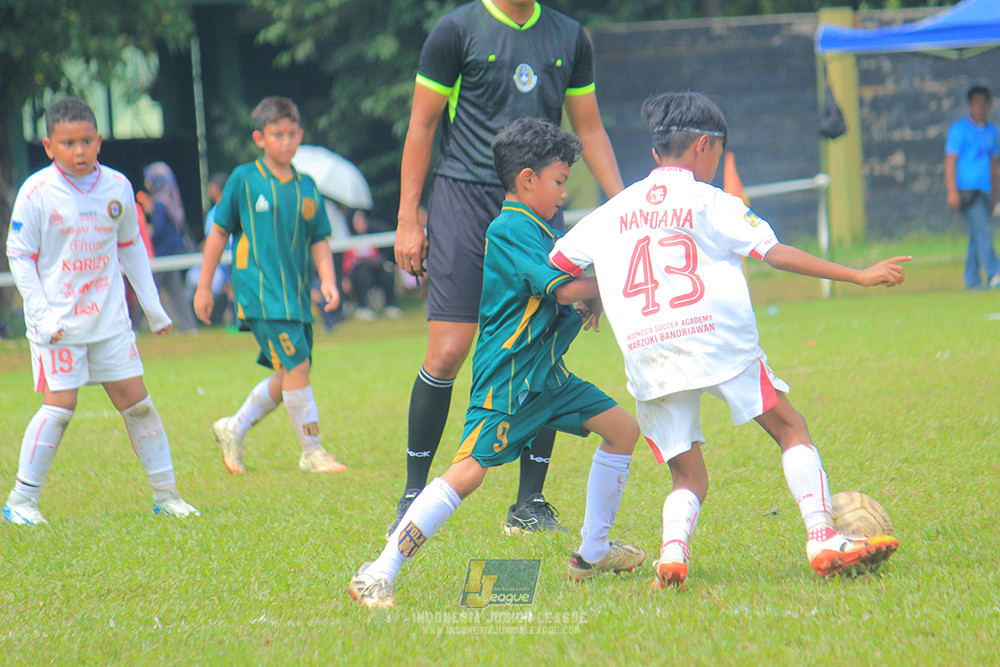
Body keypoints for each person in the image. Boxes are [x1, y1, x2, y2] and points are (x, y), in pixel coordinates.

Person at [549, 92, 907, 588]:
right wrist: (858, 274)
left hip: (649, 353)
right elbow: (775, 253)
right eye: (719, 152)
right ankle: (823, 536)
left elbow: (559, 264)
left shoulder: (613, 210)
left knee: (688, 476)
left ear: (657, 154)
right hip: (719, 342)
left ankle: (672, 555)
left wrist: (599, 295)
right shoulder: (711, 201)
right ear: (703, 146)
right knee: (789, 428)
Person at [349, 118, 644, 609]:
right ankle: (379, 571)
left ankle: (592, 553)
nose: (564, 192)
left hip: (546, 376)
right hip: (509, 379)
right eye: (559, 181)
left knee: (623, 431)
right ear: (526, 179)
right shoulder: (510, 228)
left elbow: (563, 293)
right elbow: (564, 287)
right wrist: (611, 283)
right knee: (468, 472)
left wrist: (585, 300)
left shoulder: (542, 227)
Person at [389, 0, 626, 537]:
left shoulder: (569, 36)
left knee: (541, 338)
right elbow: (423, 124)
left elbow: (589, 131)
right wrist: (409, 216)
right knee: (448, 349)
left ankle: (529, 503)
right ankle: (414, 488)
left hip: (534, 202)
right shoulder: (455, 30)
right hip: (463, 198)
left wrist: (633, 210)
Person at [2, 97, 200, 525]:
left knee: (139, 404)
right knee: (60, 408)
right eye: (68, 143)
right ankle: (21, 501)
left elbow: (130, 246)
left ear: (100, 140)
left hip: (110, 322)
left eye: (87, 141)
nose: (79, 151)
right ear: (49, 145)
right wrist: (41, 316)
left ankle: (167, 495)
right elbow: (19, 255)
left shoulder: (118, 187)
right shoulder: (36, 192)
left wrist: (153, 307)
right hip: (58, 326)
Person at [194, 96, 347, 475]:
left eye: (292, 134)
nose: (286, 141)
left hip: (294, 297)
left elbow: (319, 240)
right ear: (259, 138)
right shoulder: (244, 180)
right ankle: (312, 451)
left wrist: (328, 279)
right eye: (277, 134)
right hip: (260, 293)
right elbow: (218, 234)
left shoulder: (307, 187)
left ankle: (233, 428)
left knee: (293, 371)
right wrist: (203, 286)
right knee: (297, 366)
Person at [945, 85, 1000, 290]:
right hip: (967, 191)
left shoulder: (992, 131)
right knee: (983, 231)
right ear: (969, 105)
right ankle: (995, 273)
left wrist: (995, 195)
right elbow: (950, 161)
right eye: (977, 102)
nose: (981, 107)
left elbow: (994, 166)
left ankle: (972, 280)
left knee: (977, 234)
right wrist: (952, 191)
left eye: (985, 102)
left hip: (985, 189)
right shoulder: (959, 130)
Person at [143, 161, 198, 332]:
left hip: (162, 255)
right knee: (176, 293)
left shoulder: (160, 202)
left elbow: (159, 230)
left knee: (146, 291)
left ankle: (133, 326)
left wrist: (147, 234)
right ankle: (190, 327)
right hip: (173, 253)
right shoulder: (172, 199)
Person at [343, 209, 400, 320]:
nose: (362, 222)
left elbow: (378, 257)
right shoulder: (347, 240)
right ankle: (362, 307)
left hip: (374, 271)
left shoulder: (371, 238)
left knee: (387, 273)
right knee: (363, 275)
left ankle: (390, 305)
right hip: (357, 275)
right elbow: (347, 264)